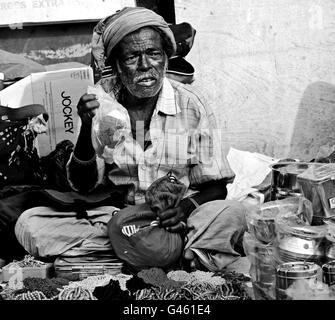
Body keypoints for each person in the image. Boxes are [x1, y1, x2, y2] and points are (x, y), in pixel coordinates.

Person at [44, 7, 246, 269]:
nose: (145, 66)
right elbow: (82, 186)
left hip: (178, 218)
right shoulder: (102, 104)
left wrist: (184, 208)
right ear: (116, 65)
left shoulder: (191, 105)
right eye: (132, 57)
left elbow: (217, 186)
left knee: (233, 213)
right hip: (123, 218)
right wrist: (86, 126)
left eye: (153, 54)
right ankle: (187, 256)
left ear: (165, 57)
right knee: (31, 223)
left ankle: (134, 257)